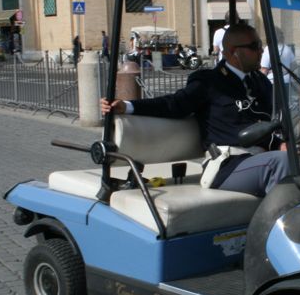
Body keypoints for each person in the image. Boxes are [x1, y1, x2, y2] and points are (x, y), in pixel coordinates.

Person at [101, 24, 288, 197]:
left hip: (259, 157)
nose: (261, 51)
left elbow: (269, 122)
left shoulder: (260, 81)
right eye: (255, 46)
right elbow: (174, 105)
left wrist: (284, 142)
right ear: (234, 52)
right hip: (228, 164)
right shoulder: (209, 82)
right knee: (281, 163)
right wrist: (127, 105)